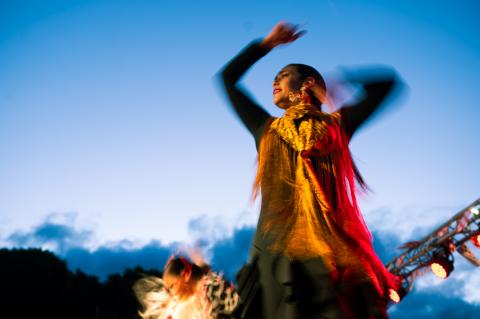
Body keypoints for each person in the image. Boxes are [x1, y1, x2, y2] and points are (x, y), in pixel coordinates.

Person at [218, 21, 402, 319]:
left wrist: (341, 81)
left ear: (307, 84)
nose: (275, 81)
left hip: (330, 257)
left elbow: (387, 85)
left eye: (284, 75)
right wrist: (266, 44)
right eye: (276, 76)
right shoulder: (266, 130)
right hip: (277, 254)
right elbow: (227, 80)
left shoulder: (336, 125)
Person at [133, 256, 239, 319]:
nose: (170, 293)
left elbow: (231, 305)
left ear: (185, 275)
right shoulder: (202, 289)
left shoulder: (209, 292)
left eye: (171, 286)